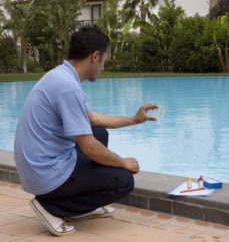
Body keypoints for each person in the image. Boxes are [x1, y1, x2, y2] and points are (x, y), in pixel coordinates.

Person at [14, 25, 158, 236]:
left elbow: (92, 119)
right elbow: (89, 148)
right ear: (95, 56)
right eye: (104, 60)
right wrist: (123, 162)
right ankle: (52, 208)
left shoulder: (61, 76)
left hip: (38, 167)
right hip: (45, 173)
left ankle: (76, 204)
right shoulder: (68, 87)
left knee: (100, 133)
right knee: (123, 181)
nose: (103, 67)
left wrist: (134, 119)